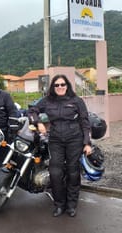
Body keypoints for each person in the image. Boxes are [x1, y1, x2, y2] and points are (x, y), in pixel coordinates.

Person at [28, 74, 92, 218]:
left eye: (63, 84)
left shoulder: (76, 101)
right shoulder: (47, 101)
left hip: (74, 139)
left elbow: (85, 122)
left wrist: (87, 143)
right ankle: (59, 204)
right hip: (55, 139)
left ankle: (71, 205)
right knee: (55, 173)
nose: (60, 87)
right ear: (53, 87)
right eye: (57, 85)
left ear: (67, 85)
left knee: (73, 172)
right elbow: (32, 111)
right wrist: (37, 122)